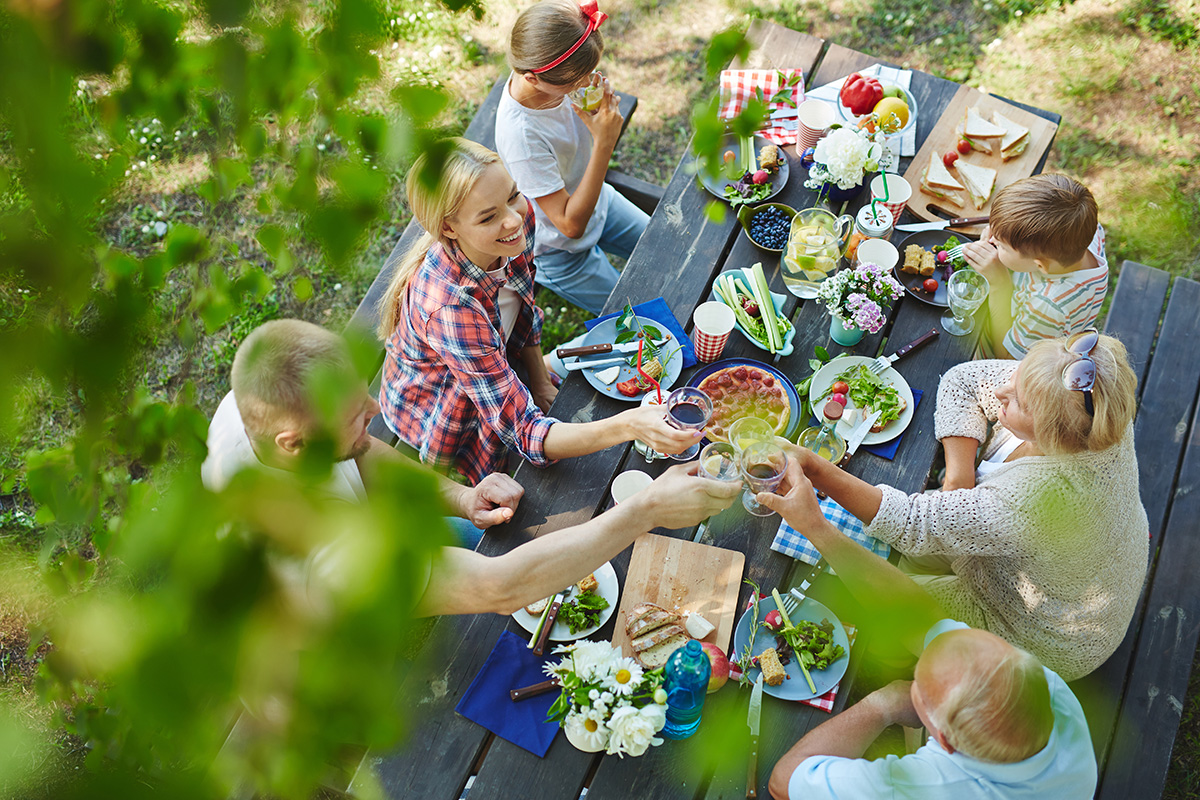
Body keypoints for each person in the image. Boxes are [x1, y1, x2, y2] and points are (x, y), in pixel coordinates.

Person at [203, 319, 739, 617]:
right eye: (353, 415)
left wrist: (459, 497)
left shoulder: (251, 407)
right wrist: (646, 509)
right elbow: (499, 590)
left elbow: (362, 454)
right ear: (293, 445)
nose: (374, 413)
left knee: (516, 532)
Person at [760, 331, 1147, 681]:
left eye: (1018, 402)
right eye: (1017, 374)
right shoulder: (1091, 404)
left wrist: (814, 470)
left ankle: (905, 666)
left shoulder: (1039, 498)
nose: (1001, 392)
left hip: (1038, 631)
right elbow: (964, 380)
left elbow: (912, 524)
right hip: (1073, 573)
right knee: (896, 557)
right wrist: (957, 482)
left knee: (881, 611)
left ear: (1050, 433)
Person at [377, 138, 696, 486]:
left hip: (495, 363)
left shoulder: (513, 227)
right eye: (489, 217)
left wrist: (540, 381)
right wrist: (630, 424)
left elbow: (524, 311)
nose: (514, 219)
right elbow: (525, 432)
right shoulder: (450, 310)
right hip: (445, 406)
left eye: (513, 195)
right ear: (449, 229)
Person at [756, 481, 1097, 800]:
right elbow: (920, 618)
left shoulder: (929, 786)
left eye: (919, 680)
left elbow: (784, 780)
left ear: (944, 741)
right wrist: (816, 527)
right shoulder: (1048, 692)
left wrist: (885, 704)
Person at [494, 0, 649, 314]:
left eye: (589, 73)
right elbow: (568, 224)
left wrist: (594, 114)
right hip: (560, 250)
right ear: (532, 78)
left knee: (668, 246)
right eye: (575, 81)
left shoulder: (556, 84)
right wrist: (604, 142)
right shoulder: (522, 138)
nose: (585, 83)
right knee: (639, 314)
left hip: (598, 203)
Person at [963, 173, 1108, 359]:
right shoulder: (1086, 229)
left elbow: (1006, 358)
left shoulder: (1048, 305)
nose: (991, 240)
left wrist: (1000, 283)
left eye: (1001, 245)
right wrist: (1003, 235)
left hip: (988, 357)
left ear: (1040, 265)